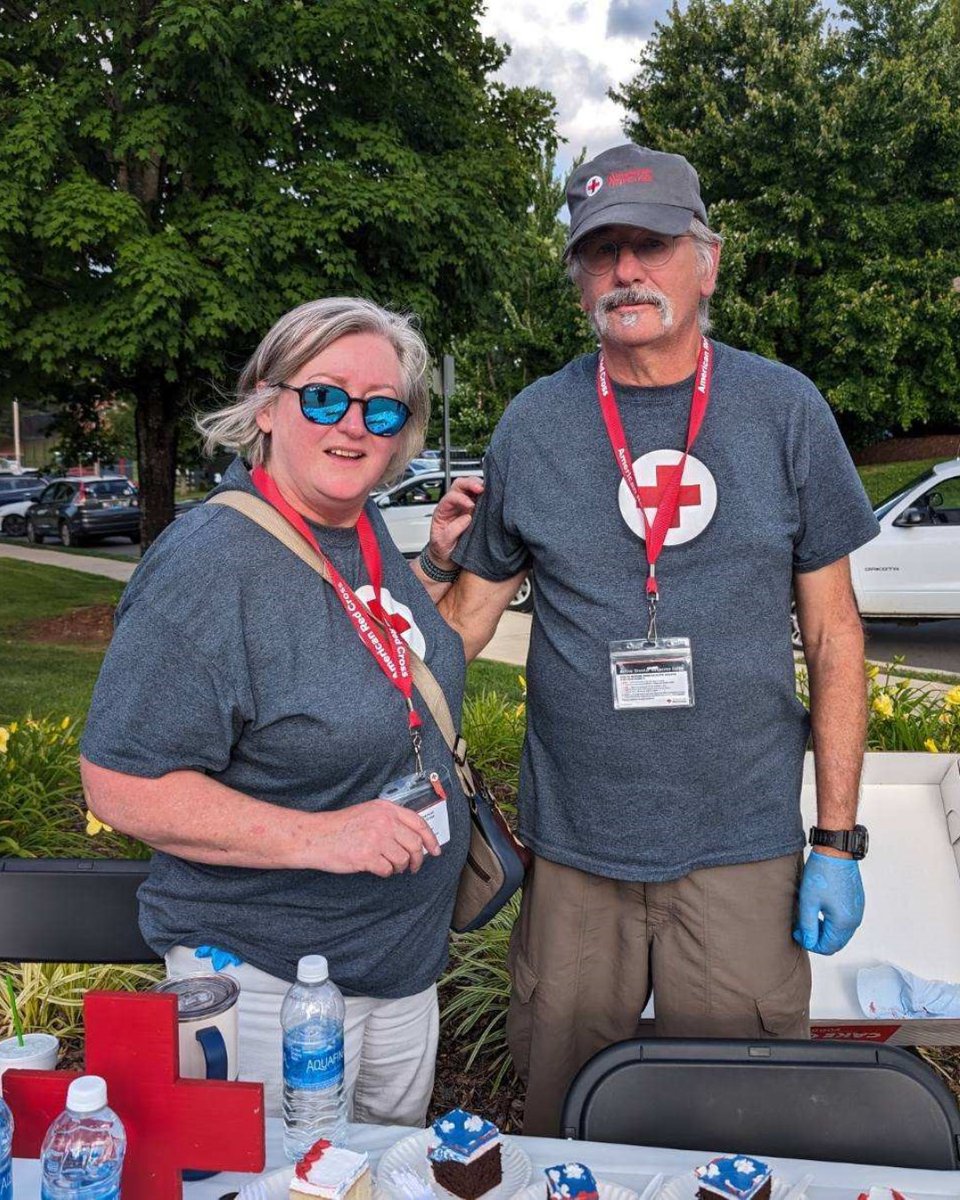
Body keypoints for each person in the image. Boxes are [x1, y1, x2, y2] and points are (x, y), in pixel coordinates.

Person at [435, 144, 880, 1134]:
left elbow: (836, 633)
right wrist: (371, 734)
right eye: (603, 252)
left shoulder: (783, 410)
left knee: (742, 1126)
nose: (627, 271)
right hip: (575, 859)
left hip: (742, 853)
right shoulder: (535, 426)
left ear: (707, 261)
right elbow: (465, 620)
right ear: (580, 277)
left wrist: (838, 842)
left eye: (654, 245)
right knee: (564, 1119)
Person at [80, 296, 482, 1124]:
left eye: (381, 408)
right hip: (274, 989)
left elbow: (378, 662)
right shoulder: (209, 565)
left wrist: (435, 565)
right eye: (325, 396)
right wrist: (326, 836)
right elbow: (119, 784)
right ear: (266, 403)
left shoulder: (359, 529)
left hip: (398, 971)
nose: (353, 425)